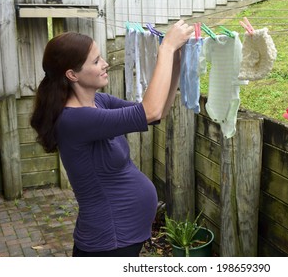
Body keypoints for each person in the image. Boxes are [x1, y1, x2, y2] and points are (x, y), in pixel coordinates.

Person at [30, 20, 194, 257]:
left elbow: (157, 114)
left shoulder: (100, 102)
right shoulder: (74, 120)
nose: (105, 64)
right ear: (72, 74)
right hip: (109, 242)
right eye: (96, 61)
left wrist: (176, 62)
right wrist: (166, 49)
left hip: (121, 238)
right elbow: (150, 111)